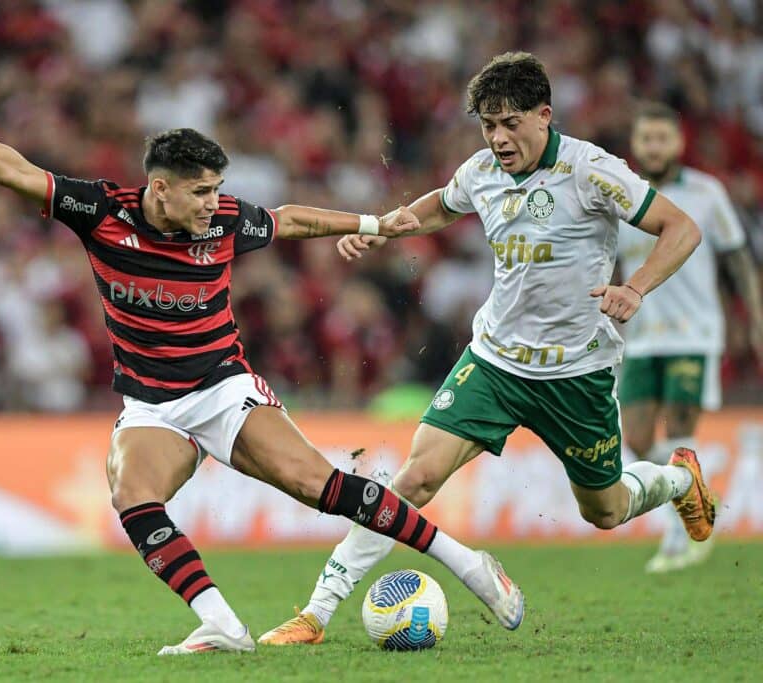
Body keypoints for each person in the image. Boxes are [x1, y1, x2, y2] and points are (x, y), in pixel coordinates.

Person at [0, 92, 525, 655]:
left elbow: (293, 218)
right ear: (159, 188)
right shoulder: (103, 213)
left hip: (223, 389)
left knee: (319, 486)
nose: (214, 203)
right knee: (131, 496)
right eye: (200, 191)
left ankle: (470, 566)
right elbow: (15, 172)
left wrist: (371, 225)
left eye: (218, 188)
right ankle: (221, 625)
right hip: (152, 406)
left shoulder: (222, 223)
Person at [258, 51, 713, 646]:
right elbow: (439, 206)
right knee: (415, 479)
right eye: (487, 124)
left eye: (510, 123)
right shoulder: (482, 172)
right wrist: (378, 229)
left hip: (576, 372)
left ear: (544, 115)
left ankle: (678, 482)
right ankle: (316, 615)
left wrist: (634, 287)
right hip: (494, 362)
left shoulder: (593, 171)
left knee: (604, 511)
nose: (498, 137)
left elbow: (682, 229)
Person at [617, 102, 763, 573]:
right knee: (637, 439)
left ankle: (677, 541)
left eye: (663, 138)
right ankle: (695, 487)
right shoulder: (623, 196)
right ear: (636, 145)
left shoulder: (706, 193)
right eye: (646, 139)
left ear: (679, 142)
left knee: (679, 435)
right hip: (639, 338)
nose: (654, 147)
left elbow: (738, 258)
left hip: (693, 335)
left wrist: (757, 318)